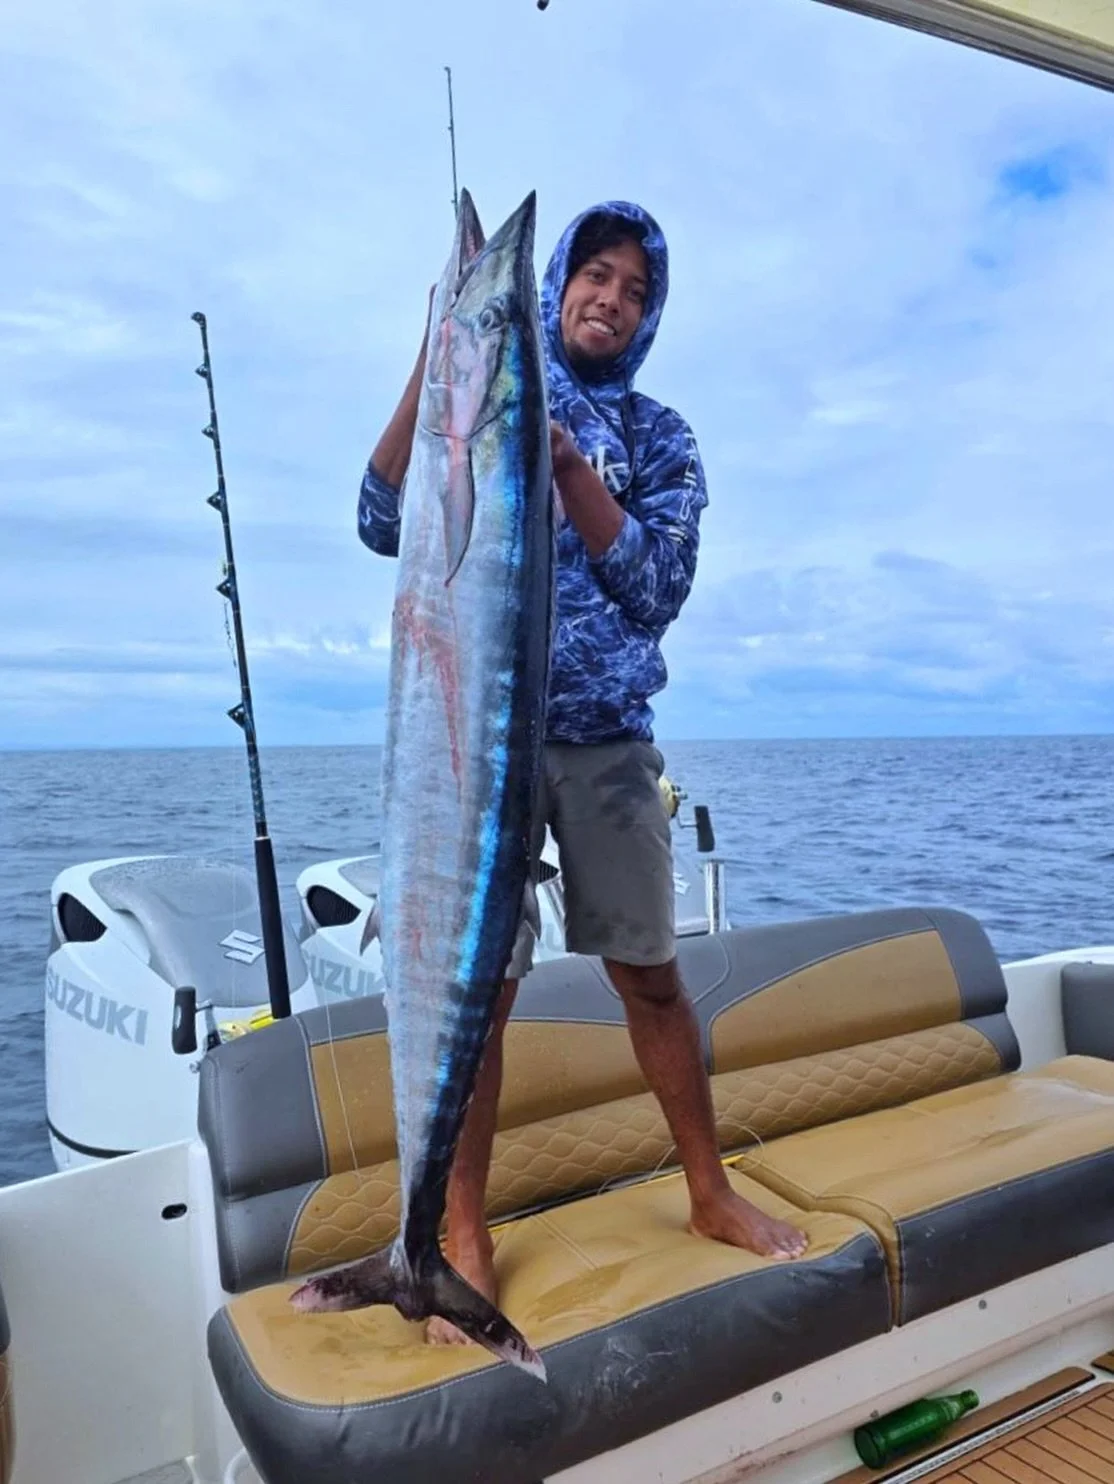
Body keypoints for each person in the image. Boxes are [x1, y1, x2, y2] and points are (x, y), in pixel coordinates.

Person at [358, 200, 809, 1346]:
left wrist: (567, 469)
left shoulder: (658, 435)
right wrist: (436, 356)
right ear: (557, 287)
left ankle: (707, 1187)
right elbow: (377, 516)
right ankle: (457, 1234)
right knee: (482, 992)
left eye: (633, 288)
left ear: (648, 314)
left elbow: (657, 588)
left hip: (606, 740)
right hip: (472, 750)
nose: (607, 298)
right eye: (592, 276)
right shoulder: (485, 389)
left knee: (650, 974)